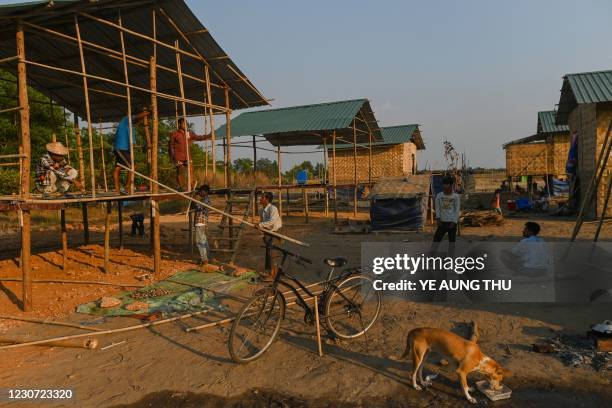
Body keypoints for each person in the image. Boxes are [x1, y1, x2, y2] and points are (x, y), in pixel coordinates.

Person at [113, 109, 149, 195]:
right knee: (133, 167)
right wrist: (149, 112)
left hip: (122, 148)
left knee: (118, 168)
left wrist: (145, 145)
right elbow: (138, 117)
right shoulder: (126, 119)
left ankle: (117, 190)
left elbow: (133, 144)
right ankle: (127, 186)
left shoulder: (129, 128)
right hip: (122, 148)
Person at [169, 118, 211, 191]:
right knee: (180, 171)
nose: (186, 125)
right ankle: (181, 187)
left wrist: (208, 136)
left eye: (186, 124)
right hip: (178, 157)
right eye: (184, 124)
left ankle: (192, 186)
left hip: (188, 156)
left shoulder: (189, 134)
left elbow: (198, 137)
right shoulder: (174, 134)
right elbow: (171, 146)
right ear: (179, 124)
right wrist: (173, 157)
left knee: (191, 171)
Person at [257, 192, 282, 275]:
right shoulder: (261, 210)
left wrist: (260, 225)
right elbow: (262, 221)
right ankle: (268, 270)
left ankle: (272, 272)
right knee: (268, 251)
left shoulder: (273, 209)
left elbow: (272, 221)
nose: (260, 199)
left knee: (271, 251)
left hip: (274, 232)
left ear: (267, 199)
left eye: (262, 197)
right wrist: (261, 229)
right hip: (267, 232)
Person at [433, 176, 460, 243]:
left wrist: (454, 222)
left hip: (452, 222)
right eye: (444, 187)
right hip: (442, 222)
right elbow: (437, 208)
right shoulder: (439, 195)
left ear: (451, 186)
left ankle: (451, 254)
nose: (446, 189)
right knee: (436, 240)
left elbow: (456, 210)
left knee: (452, 242)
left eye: (448, 188)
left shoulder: (456, 196)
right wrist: (438, 218)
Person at [193, 184, 211, 266]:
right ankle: (206, 257)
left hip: (201, 222)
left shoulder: (206, 200)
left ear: (205, 192)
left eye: (201, 191)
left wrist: (193, 199)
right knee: (203, 241)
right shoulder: (204, 199)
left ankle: (204, 260)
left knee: (199, 241)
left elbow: (199, 208)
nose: (200, 192)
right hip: (201, 222)